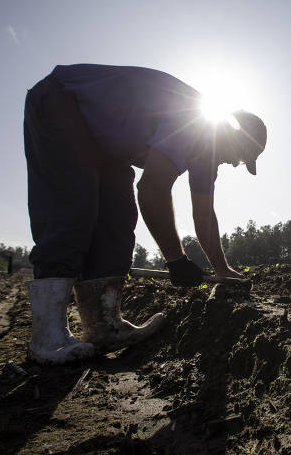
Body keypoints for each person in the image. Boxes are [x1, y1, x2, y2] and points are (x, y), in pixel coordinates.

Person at [23, 64, 267, 364]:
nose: (235, 165)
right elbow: (152, 189)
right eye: (242, 157)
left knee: (118, 218)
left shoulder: (209, 154)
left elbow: (204, 214)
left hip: (106, 143)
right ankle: (47, 338)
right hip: (63, 100)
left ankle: (104, 326)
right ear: (234, 133)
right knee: (73, 207)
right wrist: (175, 259)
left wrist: (222, 269)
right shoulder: (195, 123)